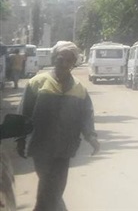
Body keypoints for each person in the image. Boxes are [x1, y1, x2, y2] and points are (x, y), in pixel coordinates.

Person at [17, 41, 100, 211]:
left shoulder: (79, 88)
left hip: (65, 147)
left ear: (74, 63)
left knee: (54, 189)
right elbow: (24, 113)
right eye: (61, 59)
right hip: (41, 146)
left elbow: (86, 116)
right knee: (50, 187)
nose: (64, 64)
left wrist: (91, 137)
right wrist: (20, 139)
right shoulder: (37, 83)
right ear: (54, 58)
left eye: (69, 61)